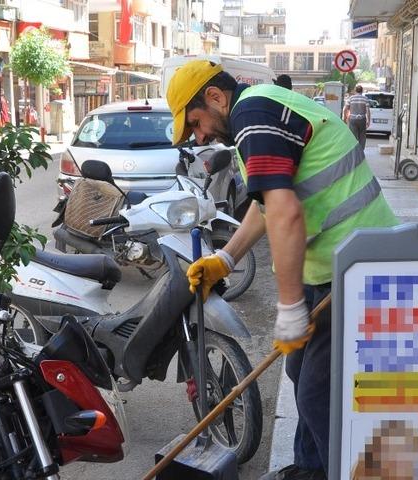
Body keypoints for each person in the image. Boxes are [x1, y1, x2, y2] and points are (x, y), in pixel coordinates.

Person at [167, 60, 399, 480]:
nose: (199, 137)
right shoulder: (253, 119)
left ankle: (339, 472)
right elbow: (266, 205)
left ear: (216, 97)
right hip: (335, 266)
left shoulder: (253, 116)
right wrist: (227, 259)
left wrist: (289, 306)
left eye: (196, 123)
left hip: (356, 268)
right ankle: (310, 469)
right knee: (299, 372)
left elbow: (286, 214)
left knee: (317, 393)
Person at [344, 85, 371, 151]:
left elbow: (345, 109)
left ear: (355, 91)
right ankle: (361, 151)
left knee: (353, 136)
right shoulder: (365, 98)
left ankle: (354, 151)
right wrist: (368, 121)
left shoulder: (351, 98)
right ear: (362, 91)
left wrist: (345, 118)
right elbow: (368, 111)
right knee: (362, 136)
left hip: (352, 119)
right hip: (362, 119)